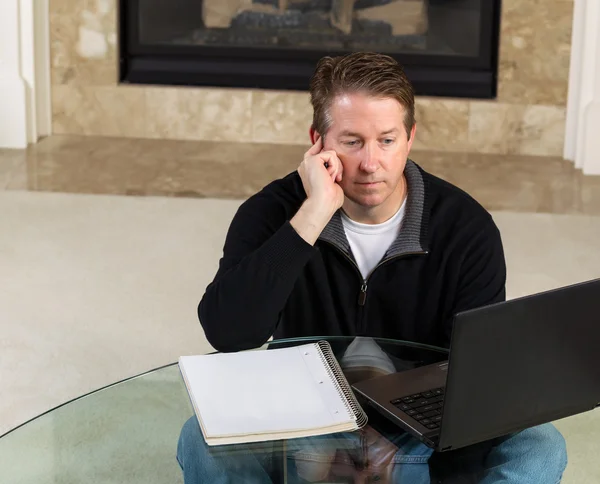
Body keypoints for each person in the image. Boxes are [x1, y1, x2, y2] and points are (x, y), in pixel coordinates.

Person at [177, 52, 567, 483]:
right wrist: (313, 214)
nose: (370, 163)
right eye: (351, 141)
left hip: (420, 435)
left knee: (540, 447)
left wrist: (399, 433)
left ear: (410, 138)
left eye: (386, 140)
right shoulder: (273, 214)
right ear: (318, 141)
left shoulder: (466, 228)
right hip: (306, 422)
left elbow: (475, 374)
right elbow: (228, 333)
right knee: (199, 439)